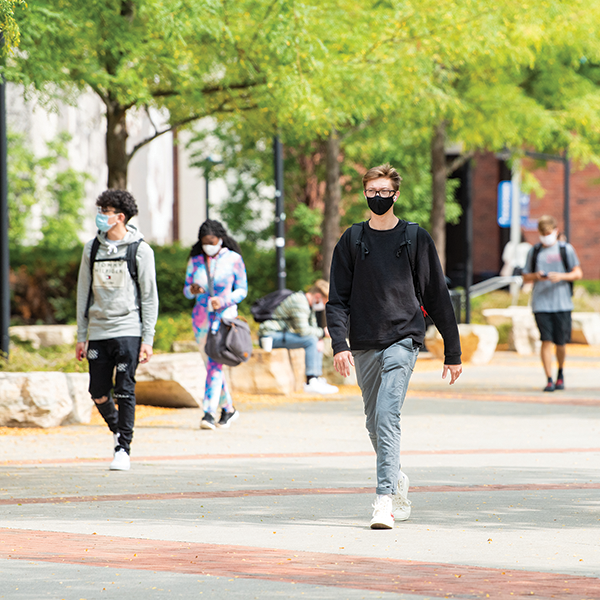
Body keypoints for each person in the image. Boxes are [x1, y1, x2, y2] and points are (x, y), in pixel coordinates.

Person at [326, 163, 462, 529]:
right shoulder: (352, 240)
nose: (379, 198)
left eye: (385, 192)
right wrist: (340, 343)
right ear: (364, 194)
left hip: (403, 339)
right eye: (372, 192)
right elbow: (336, 299)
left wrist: (453, 352)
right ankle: (398, 476)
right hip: (364, 342)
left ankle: (384, 499)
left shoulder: (414, 238)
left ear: (396, 195)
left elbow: (437, 296)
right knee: (373, 422)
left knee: (388, 415)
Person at [76, 190, 158, 471]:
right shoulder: (92, 249)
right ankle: (117, 428)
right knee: (97, 391)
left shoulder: (140, 250)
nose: (100, 215)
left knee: (125, 390)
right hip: (99, 330)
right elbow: (82, 294)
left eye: (105, 210)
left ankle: (123, 448)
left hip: (128, 330)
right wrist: (81, 335)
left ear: (120, 217)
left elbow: (149, 296)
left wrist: (148, 338)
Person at [183, 219, 248, 430]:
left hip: (224, 319)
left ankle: (208, 413)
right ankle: (228, 409)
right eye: (204, 242)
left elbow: (242, 290)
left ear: (220, 239)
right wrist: (192, 290)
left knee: (214, 364)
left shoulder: (234, 259)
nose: (208, 245)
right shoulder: (196, 261)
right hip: (201, 319)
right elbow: (186, 290)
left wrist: (224, 300)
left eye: (211, 241)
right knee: (210, 364)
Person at [522, 215, 582, 392]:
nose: (546, 236)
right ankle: (549, 378)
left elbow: (578, 273)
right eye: (543, 233)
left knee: (561, 343)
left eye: (548, 233)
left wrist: (561, 276)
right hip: (541, 304)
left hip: (562, 303)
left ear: (555, 231)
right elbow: (525, 276)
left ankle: (560, 373)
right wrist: (536, 276)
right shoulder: (534, 251)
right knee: (546, 340)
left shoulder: (566, 249)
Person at [258, 279, 339, 395]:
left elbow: (312, 327)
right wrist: (322, 333)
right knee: (310, 340)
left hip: (281, 334)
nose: (323, 307)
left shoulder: (308, 305)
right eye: (324, 302)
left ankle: (316, 377)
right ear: (317, 297)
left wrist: (320, 338)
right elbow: (303, 331)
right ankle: (311, 380)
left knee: (314, 339)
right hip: (270, 335)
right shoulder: (300, 302)